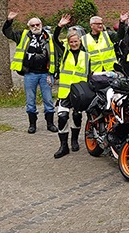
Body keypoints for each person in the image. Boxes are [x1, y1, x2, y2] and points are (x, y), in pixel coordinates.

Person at [4, 11, 58, 134]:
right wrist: (9, 21)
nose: (35, 27)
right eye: (32, 25)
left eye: (37, 24)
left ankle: (50, 124)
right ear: (29, 27)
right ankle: (32, 125)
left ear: (41, 24)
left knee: (48, 100)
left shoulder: (49, 37)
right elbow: (8, 33)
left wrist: (55, 74)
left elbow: (57, 52)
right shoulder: (23, 35)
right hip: (30, 74)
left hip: (46, 73)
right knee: (30, 100)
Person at [52, 14, 90, 158]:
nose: (74, 44)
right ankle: (63, 146)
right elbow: (55, 39)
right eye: (71, 42)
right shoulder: (65, 52)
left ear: (80, 42)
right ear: (68, 43)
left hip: (79, 93)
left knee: (76, 116)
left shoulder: (86, 56)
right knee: (62, 117)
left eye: (76, 41)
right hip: (65, 92)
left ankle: (74, 140)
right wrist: (59, 26)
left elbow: (88, 75)